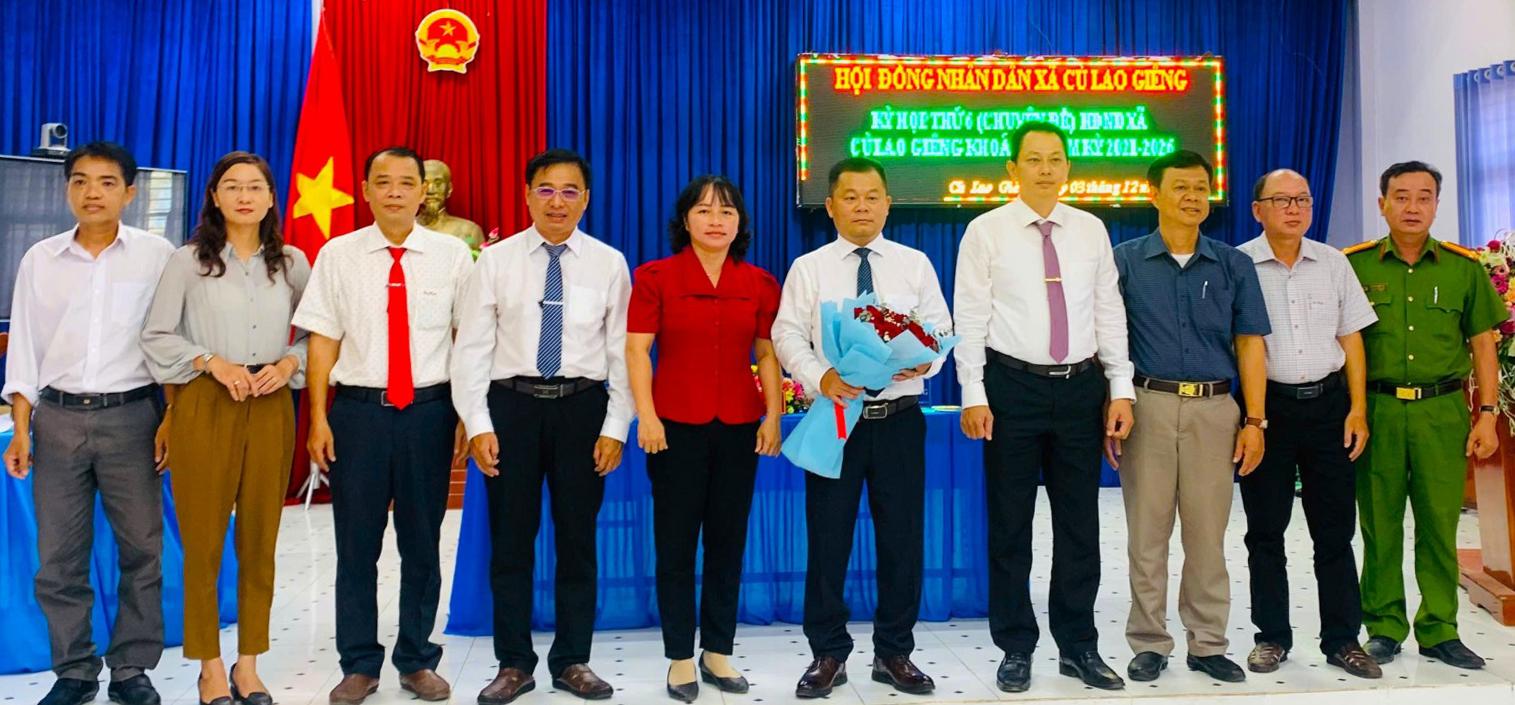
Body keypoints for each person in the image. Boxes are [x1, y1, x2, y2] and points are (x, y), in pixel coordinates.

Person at [954, 122, 1133, 693]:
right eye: (1034, 159)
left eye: (1056, 158)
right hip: (1012, 388)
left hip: (1081, 390)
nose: (1046, 169)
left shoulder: (1090, 229)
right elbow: (970, 318)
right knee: (1011, 525)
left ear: (1068, 167)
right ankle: (1015, 646)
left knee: (1080, 525)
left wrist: (1120, 386)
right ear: (1013, 169)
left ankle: (1078, 646)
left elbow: (1108, 310)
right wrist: (974, 393)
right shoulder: (985, 231)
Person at [291, 146, 473, 705]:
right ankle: (359, 664)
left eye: (406, 182)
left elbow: (468, 339)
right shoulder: (338, 254)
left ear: (423, 191)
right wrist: (318, 417)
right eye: (383, 181)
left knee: (422, 544)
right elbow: (323, 341)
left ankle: (417, 660)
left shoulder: (452, 255)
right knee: (356, 545)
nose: (395, 191)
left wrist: (467, 413)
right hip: (358, 415)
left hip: (430, 414)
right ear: (365, 190)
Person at [451, 148, 631, 704]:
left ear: (587, 199)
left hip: (582, 410)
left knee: (578, 542)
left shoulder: (609, 263)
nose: (558, 201)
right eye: (546, 190)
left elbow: (622, 353)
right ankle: (514, 663)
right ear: (527, 195)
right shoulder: (495, 262)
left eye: (570, 191)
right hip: (513, 409)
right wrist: (477, 423)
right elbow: (471, 349)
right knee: (510, 543)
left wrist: (615, 426)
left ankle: (573, 659)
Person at [2, 142, 175, 705]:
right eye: (79, 181)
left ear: (130, 192)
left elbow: (174, 340)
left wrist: (172, 418)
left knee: (141, 549)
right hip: (56, 419)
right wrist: (22, 427)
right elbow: (24, 349)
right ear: (67, 189)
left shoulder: (158, 256)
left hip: (134, 416)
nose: (91, 192)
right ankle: (74, 670)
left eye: (105, 182)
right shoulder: (41, 259)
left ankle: (131, 668)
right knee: (58, 555)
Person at [773, 157, 951, 699]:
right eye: (850, 197)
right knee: (828, 541)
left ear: (888, 204)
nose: (862, 207)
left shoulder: (914, 264)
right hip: (835, 418)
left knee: (902, 540)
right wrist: (820, 376)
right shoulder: (809, 268)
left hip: (899, 421)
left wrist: (927, 361)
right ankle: (828, 653)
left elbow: (940, 328)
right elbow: (786, 334)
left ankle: (894, 652)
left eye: (872, 197)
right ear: (830, 206)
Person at [139, 151, 311, 705]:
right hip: (205, 401)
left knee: (260, 538)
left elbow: (318, 334)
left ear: (270, 198)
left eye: (255, 186)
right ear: (214, 196)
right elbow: (157, 335)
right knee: (204, 541)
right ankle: (209, 666)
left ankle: (248, 664)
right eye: (232, 186)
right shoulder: (188, 262)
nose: (243, 196)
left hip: (270, 403)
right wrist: (210, 361)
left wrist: (288, 363)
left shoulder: (291, 262)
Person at [1112, 149, 1270, 684]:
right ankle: (1149, 641)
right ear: (1153, 194)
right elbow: (1109, 342)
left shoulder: (1233, 264)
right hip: (1147, 406)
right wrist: (1112, 407)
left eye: (1201, 188)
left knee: (1207, 536)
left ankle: (1207, 643)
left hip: (1215, 410)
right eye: (1180, 187)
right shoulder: (1125, 261)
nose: (1192, 197)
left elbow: (1250, 344)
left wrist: (1255, 421)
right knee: (1147, 534)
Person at [626, 175, 783, 703]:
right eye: (704, 211)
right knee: (675, 545)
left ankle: (717, 651)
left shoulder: (759, 283)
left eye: (727, 212)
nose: (716, 220)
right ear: (685, 220)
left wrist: (773, 415)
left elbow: (767, 353)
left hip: (739, 427)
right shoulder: (655, 277)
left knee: (727, 542)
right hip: (674, 428)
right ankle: (678, 657)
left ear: (740, 223)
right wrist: (646, 417)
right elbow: (637, 351)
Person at [1345, 161, 1506, 671]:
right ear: (1382, 204)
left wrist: (1486, 414)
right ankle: (1384, 626)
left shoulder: (1464, 268)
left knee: (1439, 524)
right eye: (1401, 196)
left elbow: (1483, 344)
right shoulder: (1355, 266)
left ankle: (1439, 629)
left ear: (1437, 204)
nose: (1412, 207)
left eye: (1424, 197)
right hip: (1378, 410)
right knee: (1380, 524)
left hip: (1442, 411)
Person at [1233, 170, 1381, 678]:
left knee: (1334, 531)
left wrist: (1357, 408)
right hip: (1267, 411)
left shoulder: (1334, 262)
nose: (1294, 209)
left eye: (1302, 200)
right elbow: (1241, 343)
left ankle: (1342, 639)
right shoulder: (1239, 264)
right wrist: (1253, 419)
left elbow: (1352, 338)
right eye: (1282, 200)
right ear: (1258, 210)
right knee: (1265, 531)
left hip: (1329, 408)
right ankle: (1272, 636)